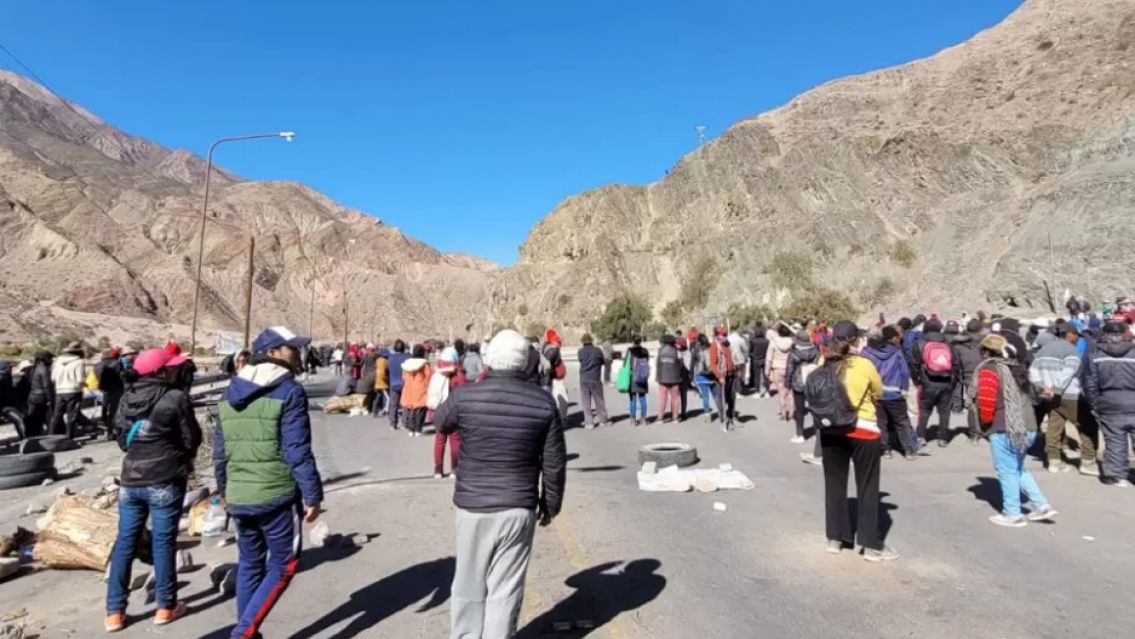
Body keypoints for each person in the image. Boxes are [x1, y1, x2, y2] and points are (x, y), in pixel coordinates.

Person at [434, 329, 566, 639]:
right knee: (505, 589)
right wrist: (551, 503)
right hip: (518, 507)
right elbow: (554, 462)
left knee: (468, 582)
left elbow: (441, 421)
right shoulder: (543, 403)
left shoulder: (465, 395)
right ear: (524, 363)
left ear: (489, 360)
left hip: (473, 506)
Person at [214, 326, 323, 639]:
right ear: (273, 353)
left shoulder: (230, 390)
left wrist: (225, 489)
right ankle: (244, 632)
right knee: (284, 564)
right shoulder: (288, 390)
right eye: (291, 348)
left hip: (239, 493)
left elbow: (220, 452)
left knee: (250, 563)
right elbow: (297, 450)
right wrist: (312, 495)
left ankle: (247, 630)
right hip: (275, 494)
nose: (297, 354)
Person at [104, 348, 202, 632]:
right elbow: (191, 438)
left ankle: (114, 612)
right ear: (160, 372)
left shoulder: (126, 398)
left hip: (131, 480)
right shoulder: (175, 398)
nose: (174, 370)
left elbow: (122, 441)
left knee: (125, 543)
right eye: (170, 367)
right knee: (163, 542)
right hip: (165, 479)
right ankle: (165, 606)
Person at [816, 320, 897, 562]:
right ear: (854, 341)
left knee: (834, 484)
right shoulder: (864, 365)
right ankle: (870, 546)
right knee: (868, 486)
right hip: (863, 430)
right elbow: (878, 393)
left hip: (831, 430)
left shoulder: (824, 362)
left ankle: (835, 539)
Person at [973, 334, 1059, 526]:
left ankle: (1012, 513)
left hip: (1005, 427)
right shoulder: (1016, 367)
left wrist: (985, 425)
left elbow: (986, 402)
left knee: (1006, 471)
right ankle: (1041, 505)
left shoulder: (989, 369)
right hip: (1027, 426)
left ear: (986, 351)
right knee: (1018, 468)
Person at [1030, 323, 1098, 475]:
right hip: (1070, 394)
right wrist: (1057, 389)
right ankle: (1088, 462)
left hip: (1049, 396)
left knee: (1054, 427)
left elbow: (1033, 372)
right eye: (1076, 336)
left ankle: (1054, 462)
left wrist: (1043, 387)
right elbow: (1069, 371)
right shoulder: (1070, 350)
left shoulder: (1044, 350)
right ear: (1070, 334)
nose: (1077, 340)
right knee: (1087, 425)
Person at [1083, 320, 1135, 487]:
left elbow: (1090, 383)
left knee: (1114, 440)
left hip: (1109, 401)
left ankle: (1116, 475)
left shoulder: (1096, 354)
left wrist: (1094, 404)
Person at [862, 326, 916, 460]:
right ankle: (908, 450)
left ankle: (885, 449)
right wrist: (904, 389)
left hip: (876, 393)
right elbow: (904, 371)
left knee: (881, 422)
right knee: (901, 422)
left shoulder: (866, 353)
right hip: (894, 392)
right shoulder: (896, 352)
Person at [910, 319, 961, 448]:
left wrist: (917, 381)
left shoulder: (919, 343)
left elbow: (914, 365)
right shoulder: (948, 343)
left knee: (925, 410)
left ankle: (921, 436)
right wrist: (953, 381)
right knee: (944, 411)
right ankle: (943, 438)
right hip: (946, 381)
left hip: (928, 381)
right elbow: (955, 364)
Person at [429, 347, 465, 478]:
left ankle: (438, 470)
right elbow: (462, 392)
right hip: (453, 411)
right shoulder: (458, 374)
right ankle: (454, 469)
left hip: (439, 410)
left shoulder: (437, 372)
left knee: (439, 440)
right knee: (455, 440)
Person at [785, 330, 821, 445]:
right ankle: (817, 433)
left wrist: (788, 383)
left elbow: (789, 369)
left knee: (799, 410)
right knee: (815, 409)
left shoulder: (794, 353)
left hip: (798, 382)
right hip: (813, 381)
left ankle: (799, 434)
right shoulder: (815, 350)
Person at [953, 319, 986, 445]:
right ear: (979, 329)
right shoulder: (985, 343)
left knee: (972, 406)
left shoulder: (958, 344)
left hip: (968, 378)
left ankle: (973, 435)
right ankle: (986, 430)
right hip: (985, 376)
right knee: (986, 404)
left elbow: (957, 364)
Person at [50, 341, 86, 439]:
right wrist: (84, 384)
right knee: (71, 416)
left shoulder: (57, 362)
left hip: (59, 391)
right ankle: (69, 437)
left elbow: (53, 378)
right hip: (73, 391)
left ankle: (50, 436)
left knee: (56, 415)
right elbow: (79, 379)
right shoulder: (79, 362)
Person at [577, 334, 609, 429]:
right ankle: (602, 421)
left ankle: (589, 423)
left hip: (584, 378)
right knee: (599, 400)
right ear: (591, 341)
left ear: (583, 342)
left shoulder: (580, 351)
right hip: (595, 377)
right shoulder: (598, 350)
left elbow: (581, 360)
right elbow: (603, 362)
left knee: (586, 401)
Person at [400, 345, 432, 437]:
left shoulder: (406, 364)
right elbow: (428, 377)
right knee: (420, 411)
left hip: (409, 389)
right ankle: (418, 429)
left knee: (410, 410)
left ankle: (411, 430)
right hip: (420, 389)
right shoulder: (425, 364)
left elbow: (403, 377)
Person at [709, 326, 737, 431]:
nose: (724, 336)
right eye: (722, 334)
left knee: (731, 398)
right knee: (722, 399)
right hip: (721, 376)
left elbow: (731, 358)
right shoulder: (714, 346)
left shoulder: (727, 344)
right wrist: (719, 376)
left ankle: (731, 418)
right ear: (717, 335)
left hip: (731, 375)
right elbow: (712, 363)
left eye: (725, 334)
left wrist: (734, 369)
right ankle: (723, 420)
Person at [95, 348, 126, 441]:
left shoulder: (98, 365)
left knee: (104, 408)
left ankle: (105, 426)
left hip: (104, 389)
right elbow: (122, 376)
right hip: (116, 389)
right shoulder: (117, 363)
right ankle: (112, 430)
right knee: (114, 410)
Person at [765, 323, 794, 420]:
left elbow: (769, 358)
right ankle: (791, 412)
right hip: (790, 368)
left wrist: (767, 371)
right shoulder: (792, 342)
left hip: (777, 369)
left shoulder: (773, 342)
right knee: (790, 391)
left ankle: (783, 412)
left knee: (781, 391)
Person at [23, 352, 54, 439]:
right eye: (50, 358)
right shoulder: (43, 369)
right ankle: (50, 435)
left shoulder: (33, 368)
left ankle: (32, 436)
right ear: (45, 359)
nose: (51, 360)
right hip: (41, 397)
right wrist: (49, 399)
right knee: (48, 418)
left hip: (32, 396)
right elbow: (46, 386)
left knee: (33, 418)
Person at [655, 333, 684, 423]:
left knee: (662, 398)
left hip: (662, 378)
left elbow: (657, 364)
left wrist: (658, 377)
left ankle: (660, 418)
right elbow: (681, 365)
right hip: (675, 378)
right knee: (675, 398)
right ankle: (675, 417)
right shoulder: (677, 351)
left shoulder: (660, 351)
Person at [542, 330, 570, 419]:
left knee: (554, 398)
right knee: (563, 399)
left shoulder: (545, 347)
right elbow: (548, 364)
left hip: (550, 378)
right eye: (559, 342)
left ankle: (559, 418)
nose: (560, 344)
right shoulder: (553, 350)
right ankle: (563, 418)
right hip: (556, 378)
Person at [690, 333, 717, 421]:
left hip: (701, 376)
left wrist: (691, 376)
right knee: (716, 395)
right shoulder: (711, 348)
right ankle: (721, 411)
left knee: (705, 396)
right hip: (712, 375)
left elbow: (692, 364)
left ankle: (707, 414)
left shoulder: (696, 350)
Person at [626, 336, 650, 426]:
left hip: (632, 377)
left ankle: (633, 420)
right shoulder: (645, 351)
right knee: (643, 399)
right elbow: (647, 362)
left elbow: (625, 364)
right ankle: (643, 419)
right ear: (641, 341)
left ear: (633, 341)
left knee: (633, 399)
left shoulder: (629, 351)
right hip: (642, 376)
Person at [387, 340, 410, 430]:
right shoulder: (408, 357)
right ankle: (404, 423)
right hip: (404, 383)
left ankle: (393, 424)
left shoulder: (390, 358)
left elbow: (388, 368)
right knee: (405, 404)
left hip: (393, 383)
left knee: (393, 404)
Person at [358, 344, 379, 417]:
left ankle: (368, 407)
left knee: (368, 392)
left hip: (366, 374)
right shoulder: (375, 355)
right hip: (373, 374)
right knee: (374, 391)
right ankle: (374, 408)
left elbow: (361, 364)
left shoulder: (365, 356)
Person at [750, 323, 769, 397]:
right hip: (765, 358)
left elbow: (750, 350)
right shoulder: (766, 341)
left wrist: (752, 355)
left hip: (756, 359)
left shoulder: (753, 341)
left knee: (756, 376)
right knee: (765, 375)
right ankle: (767, 391)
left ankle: (757, 391)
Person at [373, 348, 390, 417]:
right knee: (388, 398)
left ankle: (375, 411)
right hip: (383, 383)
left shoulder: (377, 360)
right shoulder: (385, 361)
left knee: (378, 396)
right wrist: (386, 379)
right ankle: (386, 410)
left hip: (377, 381)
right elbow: (383, 373)